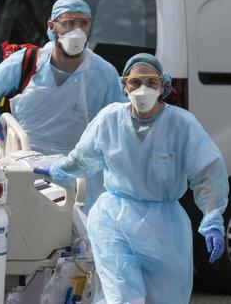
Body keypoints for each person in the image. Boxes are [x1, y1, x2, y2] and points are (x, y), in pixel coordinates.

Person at [35, 53, 228, 303]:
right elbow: (82, 159)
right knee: (123, 297)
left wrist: (212, 219)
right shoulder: (109, 119)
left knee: (166, 298)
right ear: (124, 86)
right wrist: (57, 171)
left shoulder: (182, 125)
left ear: (163, 86)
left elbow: (207, 174)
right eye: (135, 82)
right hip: (114, 220)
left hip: (165, 230)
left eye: (151, 82)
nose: (142, 89)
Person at [0, 0, 126, 212]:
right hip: (27, 164)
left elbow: (119, 123)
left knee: (76, 235)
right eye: (68, 23)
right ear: (52, 26)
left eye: (83, 23)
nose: (77, 30)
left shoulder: (103, 73)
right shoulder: (26, 62)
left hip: (79, 173)